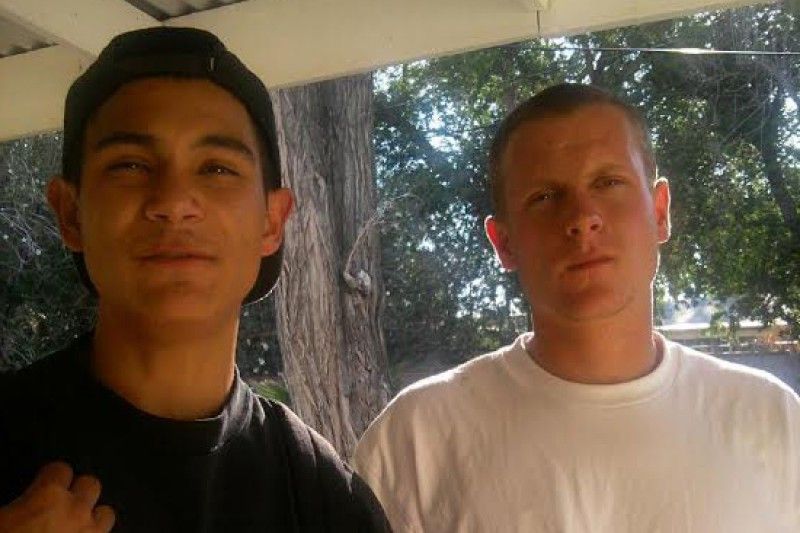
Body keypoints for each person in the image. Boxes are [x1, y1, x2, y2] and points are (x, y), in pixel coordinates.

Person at [354, 83, 800, 532]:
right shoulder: (415, 442)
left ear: (660, 211)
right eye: (545, 197)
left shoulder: (772, 421)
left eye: (608, 182)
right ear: (503, 243)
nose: (582, 217)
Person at [0, 27, 390, 533]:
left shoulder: (326, 499)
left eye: (217, 169)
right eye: (130, 165)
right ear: (70, 214)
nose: (174, 202)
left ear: (272, 222)